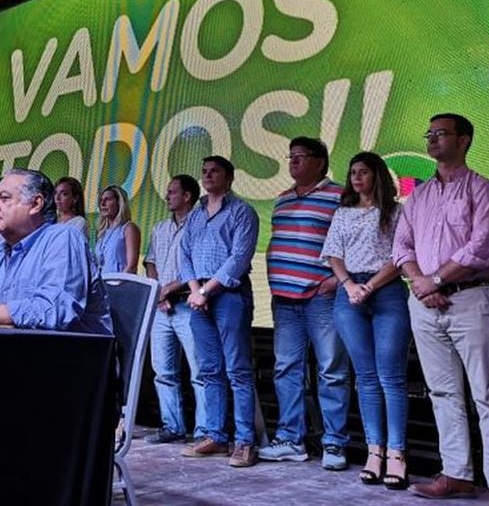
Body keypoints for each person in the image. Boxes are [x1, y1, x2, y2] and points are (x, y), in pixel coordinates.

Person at [392, 114, 489, 506]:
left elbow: (481, 247)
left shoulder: (482, 189)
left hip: (470, 299)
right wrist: (420, 284)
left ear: (463, 140)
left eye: (440, 133)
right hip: (425, 305)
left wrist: (435, 280)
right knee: (443, 392)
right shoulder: (419, 195)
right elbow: (401, 248)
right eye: (428, 133)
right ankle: (457, 474)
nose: (431, 139)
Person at [258, 137, 350, 471]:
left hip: (320, 298)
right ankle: (290, 440)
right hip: (284, 300)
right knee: (286, 368)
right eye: (291, 157)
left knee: (330, 369)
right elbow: (276, 245)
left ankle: (334, 443)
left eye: (300, 157)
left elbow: (352, 243)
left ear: (321, 162)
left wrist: (335, 281)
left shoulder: (339, 196)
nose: (293, 162)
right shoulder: (282, 199)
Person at [321, 152, 409, 489]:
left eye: (364, 172)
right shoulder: (342, 214)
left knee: (392, 377)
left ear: (378, 175)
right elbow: (333, 255)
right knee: (366, 377)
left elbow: (401, 257)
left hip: (385, 291)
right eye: (353, 172)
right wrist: (349, 285)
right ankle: (375, 452)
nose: (357, 178)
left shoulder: (396, 211)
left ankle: (397, 455)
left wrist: (370, 286)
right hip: (350, 294)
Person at [172, 157, 260, 467]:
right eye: (204, 172)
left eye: (215, 172)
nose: (208, 176)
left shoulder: (242, 212)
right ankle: (216, 437)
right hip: (198, 300)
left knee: (237, 370)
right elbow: (184, 255)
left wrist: (206, 291)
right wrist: (195, 290)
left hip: (229, 297)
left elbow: (239, 258)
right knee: (210, 370)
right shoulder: (195, 216)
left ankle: (245, 441)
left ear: (230, 177)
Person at [0, 169, 112, 335]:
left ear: (36, 204)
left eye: (4, 198)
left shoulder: (63, 238)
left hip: (64, 357)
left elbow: (52, 311)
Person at [141, 175, 206, 445]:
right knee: (163, 371)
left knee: (199, 372)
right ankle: (173, 426)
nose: (167, 196)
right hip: (161, 307)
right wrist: (158, 292)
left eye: (172, 192)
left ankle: (204, 432)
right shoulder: (159, 228)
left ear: (187, 196)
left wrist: (169, 289)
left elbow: (202, 266)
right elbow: (150, 262)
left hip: (188, 304)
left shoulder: (201, 225)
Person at [94, 185, 140, 274]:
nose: (102, 204)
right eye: (101, 200)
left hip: (120, 285)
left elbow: (131, 266)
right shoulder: (102, 233)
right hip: (102, 285)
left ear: (119, 203)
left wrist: (118, 285)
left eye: (107, 199)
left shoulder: (128, 228)